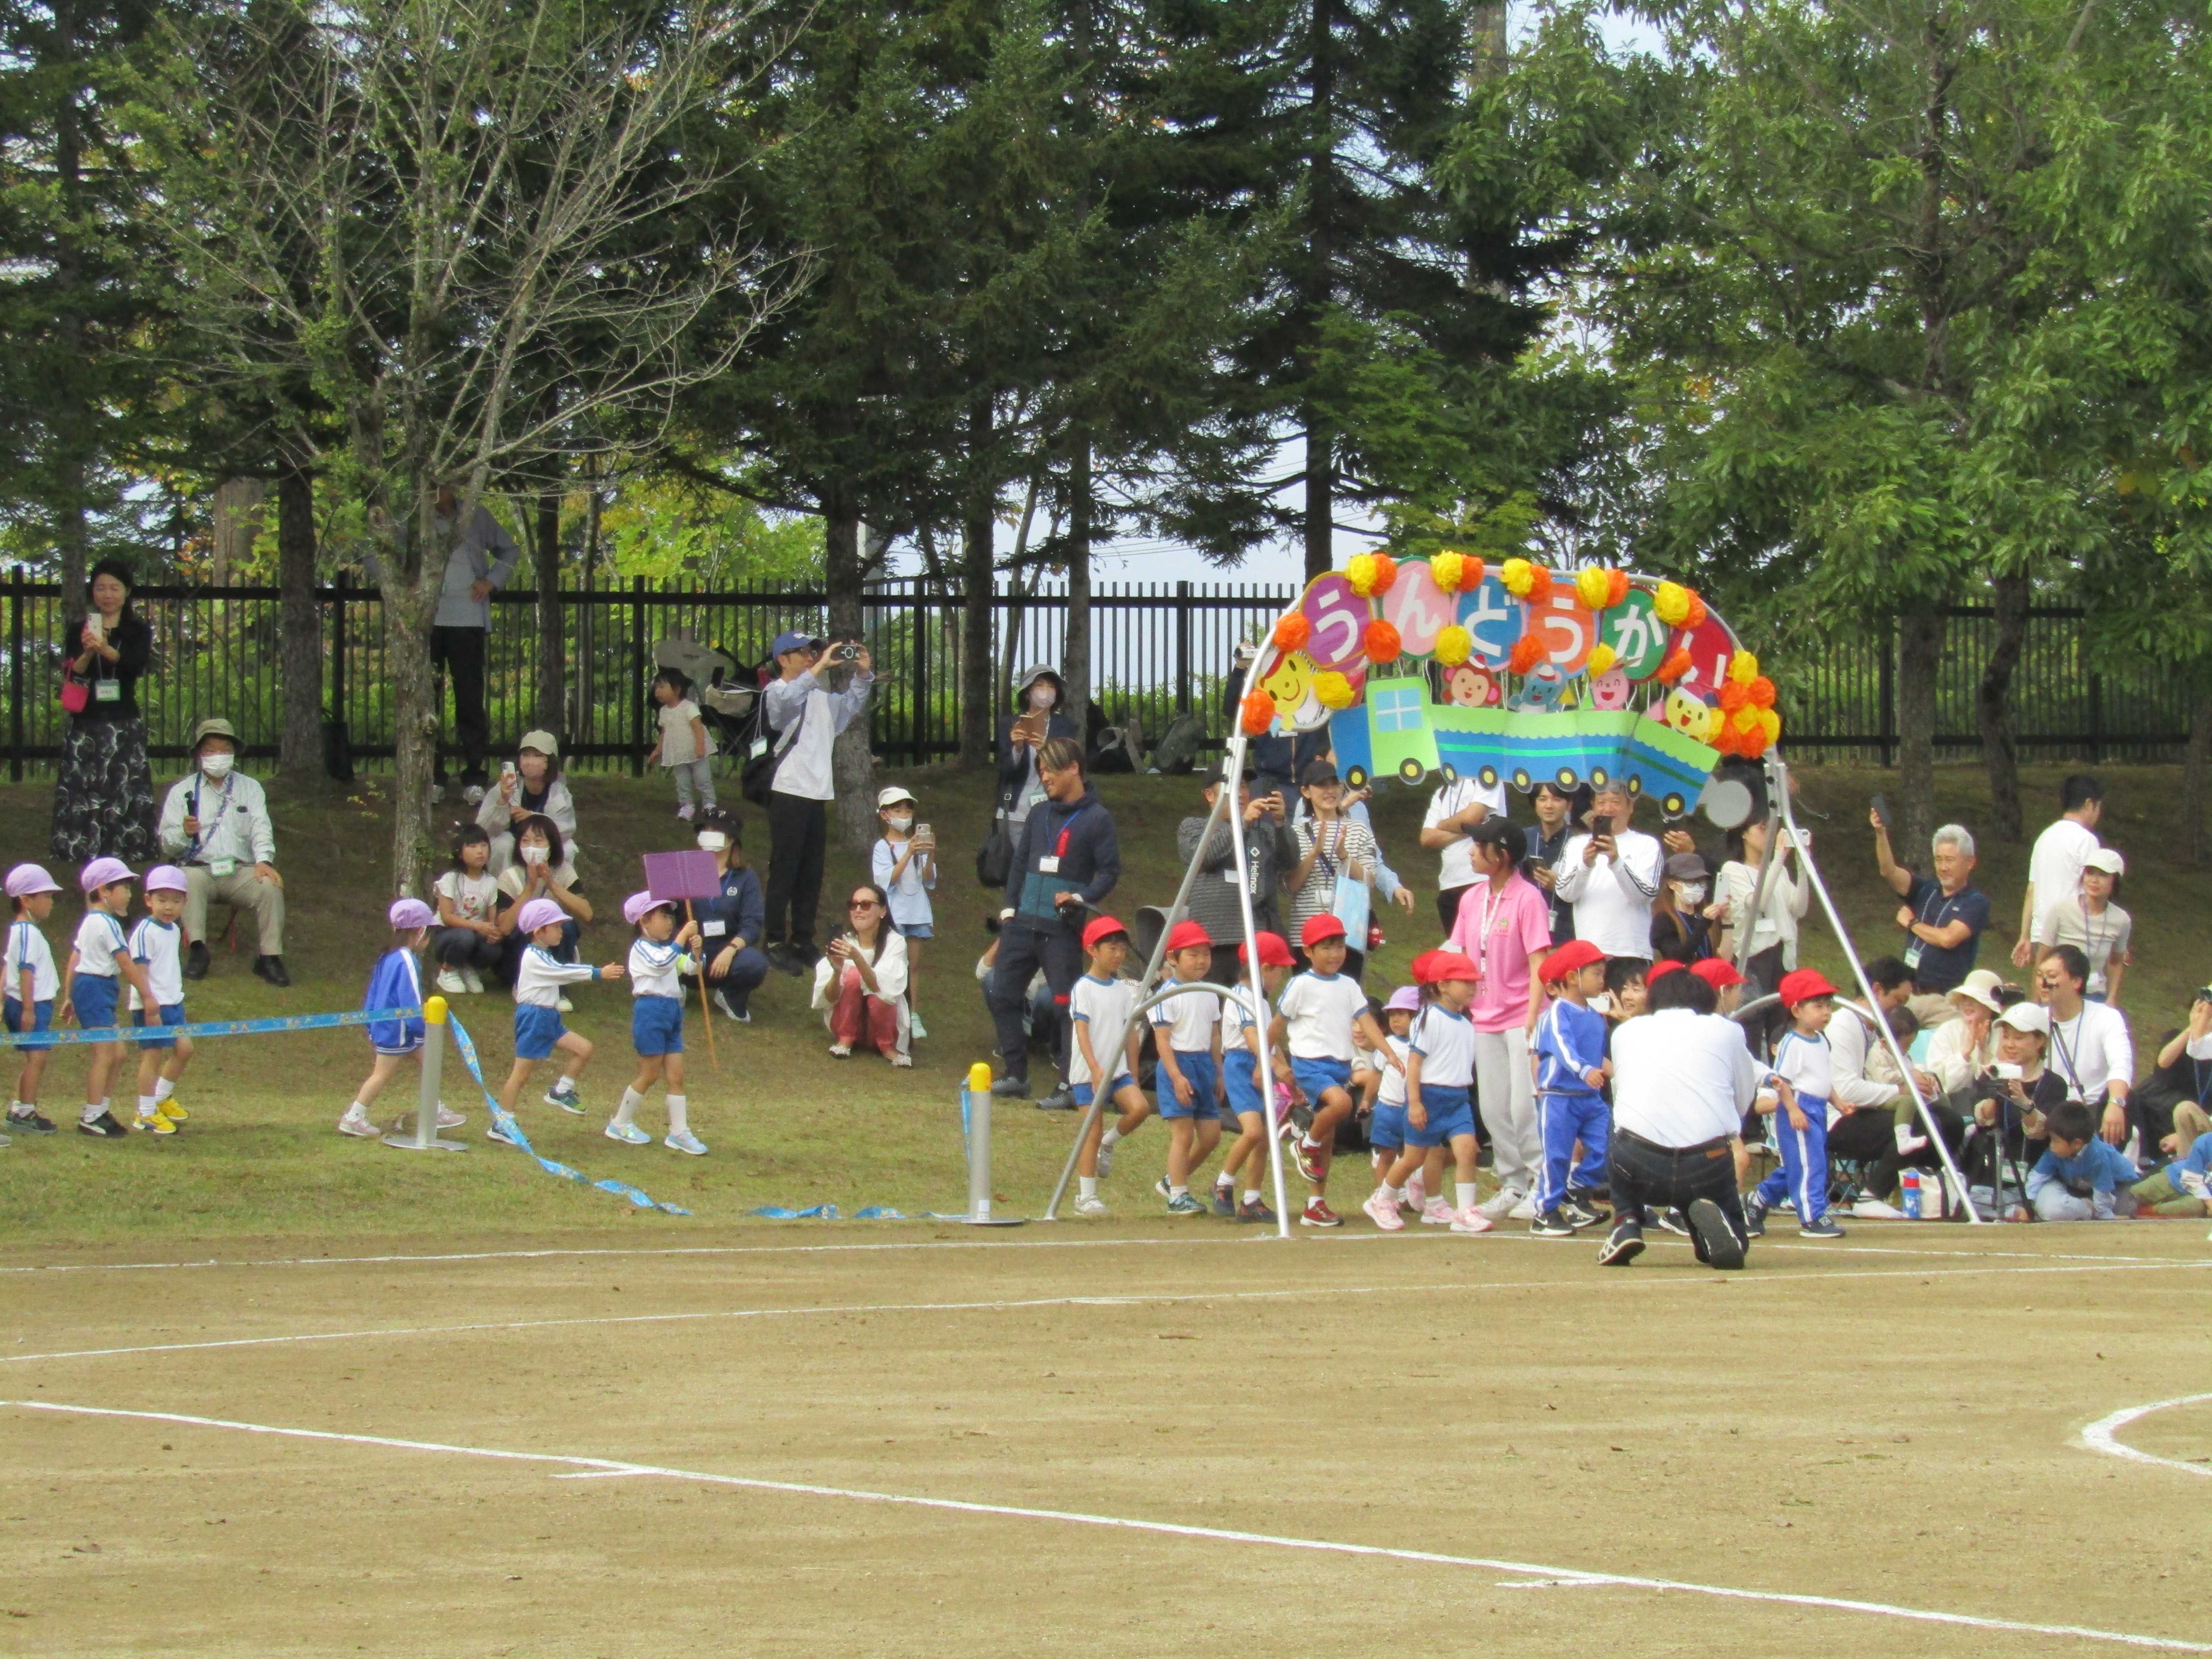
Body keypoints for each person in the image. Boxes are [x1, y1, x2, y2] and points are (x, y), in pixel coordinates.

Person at [1598, 966, 1762, 1269]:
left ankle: (1626, 1219)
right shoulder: (1728, 1031)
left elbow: (1621, 1094)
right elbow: (1743, 1096)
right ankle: (1720, 1230)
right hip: (1707, 1162)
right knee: (1724, 1208)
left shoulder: (1625, 1033)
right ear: (1708, 1000)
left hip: (1639, 1162)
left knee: (1616, 1119)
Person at [988, 737, 1118, 1106]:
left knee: (1065, 1005)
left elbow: (1110, 872)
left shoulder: (1098, 819)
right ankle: (1015, 1074)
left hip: (1061, 929)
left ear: (1073, 768)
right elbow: (1019, 863)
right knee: (1002, 994)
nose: (1043, 777)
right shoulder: (1038, 814)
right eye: (1041, 770)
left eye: (1049, 770)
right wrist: (1009, 908)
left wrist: (1081, 898)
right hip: (1022, 923)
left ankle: (1068, 1084)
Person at [1445, 817, 1556, 1221]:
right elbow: (1459, 952)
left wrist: (1532, 1015)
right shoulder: (1472, 898)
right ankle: (1512, 1183)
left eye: (1480, 847)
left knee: (1524, 1104)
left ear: (1502, 855)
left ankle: (1543, 1182)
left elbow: (1538, 959)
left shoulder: (1528, 898)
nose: (1473, 853)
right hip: (1484, 1014)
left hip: (1522, 1015)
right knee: (1492, 1106)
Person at [758, 633, 875, 975]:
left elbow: (851, 705)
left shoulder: (823, 698)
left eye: (814, 651)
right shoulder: (776, 692)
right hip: (788, 790)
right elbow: (785, 708)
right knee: (785, 869)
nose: (812, 656)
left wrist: (863, 674)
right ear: (784, 659)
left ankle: (803, 940)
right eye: (804, 652)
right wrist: (820, 667)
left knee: (811, 873)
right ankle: (775, 941)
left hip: (818, 792)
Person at [1274, 913, 1397, 1228]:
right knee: (1342, 1105)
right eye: (1326, 947)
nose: (1335, 954)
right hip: (1310, 1064)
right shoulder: (1300, 984)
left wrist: (1388, 1051)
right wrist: (1270, 1063)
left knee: (1327, 1137)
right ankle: (1304, 1143)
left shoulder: (1349, 986)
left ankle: (1315, 1205)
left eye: (1340, 946)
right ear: (1308, 951)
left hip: (1339, 1066)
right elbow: (1277, 1026)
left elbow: (1366, 1021)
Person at [155, 717, 289, 988]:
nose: (218, 756)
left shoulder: (251, 788)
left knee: (269, 886)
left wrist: (264, 861)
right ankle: (197, 951)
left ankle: (269, 956)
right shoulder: (181, 792)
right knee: (188, 880)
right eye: (211, 750)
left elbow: (261, 826)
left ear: (234, 754)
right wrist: (184, 832)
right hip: (199, 868)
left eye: (225, 749)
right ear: (199, 754)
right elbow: (167, 845)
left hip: (239, 869)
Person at [1373, 951, 1491, 1235]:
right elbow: (1415, 1063)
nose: (1472, 988)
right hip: (1429, 1097)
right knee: (1413, 1158)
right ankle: (1383, 1199)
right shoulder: (1429, 1018)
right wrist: (1415, 1103)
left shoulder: (1466, 1024)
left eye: (1474, 982)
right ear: (1443, 986)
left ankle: (1465, 1211)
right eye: (1465, 982)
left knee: (1466, 1151)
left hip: (1458, 1099)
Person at [50, 559, 158, 866]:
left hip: (123, 720)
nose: (107, 594)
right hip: (87, 721)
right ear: (92, 592)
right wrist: (87, 651)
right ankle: (84, 850)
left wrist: (107, 649)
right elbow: (74, 676)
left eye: (114, 588)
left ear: (127, 592)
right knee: (85, 789)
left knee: (123, 788)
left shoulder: (137, 630)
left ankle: (125, 850)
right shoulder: (79, 629)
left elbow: (132, 668)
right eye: (100, 587)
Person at [494, 896, 624, 1142]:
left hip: (548, 1018)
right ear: (538, 931)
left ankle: (561, 1090)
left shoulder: (543, 954)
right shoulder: (534, 957)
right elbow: (562, 973)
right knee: (520, 1075)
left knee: (584, 1049)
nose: (560, 932)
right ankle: (503, 1123)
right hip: (534, 1018)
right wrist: (597, 973)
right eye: (555, 927)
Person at [422, 486, 520, 805]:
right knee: (425, 701)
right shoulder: (413, 518)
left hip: (468, 620)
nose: (440, 492)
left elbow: (510, 551)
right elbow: (376, 554)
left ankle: (474, 776)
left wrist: (492, 580)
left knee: (470, 700)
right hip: (425, 619)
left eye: (446, 484)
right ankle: (431, 776)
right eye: (433, 484)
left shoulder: (475, 516)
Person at [339, 900, 465, 1140]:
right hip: (397, 1031)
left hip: (389, 1027)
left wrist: (370, 1024)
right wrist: (424, 1028)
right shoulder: (406, 959)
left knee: (430, 1060)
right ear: (419, 932)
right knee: (381, 1075)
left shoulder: (386, 956)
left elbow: (372, 995)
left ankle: (435, 1110)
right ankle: (354, 1117)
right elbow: (411, 999)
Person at [1744, 969, 1849, 1239]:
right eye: (1818, 1006)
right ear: (1797, 1011)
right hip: (1799, 1106)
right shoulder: (1793, 1043)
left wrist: (1837, 1101)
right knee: (1810, 1164)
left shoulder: (1822, 1041)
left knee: (1804, 1162)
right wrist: (1792, 1109)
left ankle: (1759, 1200)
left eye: (1828, 1007)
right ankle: (1813, 1215)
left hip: (1817, 1107)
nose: (1826, 1012)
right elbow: (1782, 1082)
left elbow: (1824, 1078)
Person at [61, 857, 158, 1141]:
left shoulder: (93, 922)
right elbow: (126, 963)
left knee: (118, 1053)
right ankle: (92, 1115)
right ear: (104, 891)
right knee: (105, 1055)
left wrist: (69, 996)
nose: (129, 894)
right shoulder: (105, 923)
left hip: (96, 988)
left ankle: (100, 1109)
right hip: (94, 988)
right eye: (124, 887)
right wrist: (148, 996)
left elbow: (74, 958)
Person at [609, 893, 708, 1155]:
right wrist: (682, 938)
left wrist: (698, 952)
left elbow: (691, 968)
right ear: (645, 920)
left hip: (672, 1012)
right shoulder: (641, 949)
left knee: (677, 1076)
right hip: (650, 1012)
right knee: (650, 1074)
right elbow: (661, 965)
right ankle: (620, 1122)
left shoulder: (669, 949)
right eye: (663, 916)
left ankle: (679, 1132)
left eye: (670, 916)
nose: (669, 922)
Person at [1068, 915, 1152, 1218]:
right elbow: (1082, 1031)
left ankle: (1110, 1143)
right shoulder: (1084, 988)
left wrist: (1133, 1070)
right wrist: (1093, 1068)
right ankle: (1086, 1197)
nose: (1118, 955)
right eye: (1111, 949)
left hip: (1117, 1072)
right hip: (1088, 1073)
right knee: (1091, 1131)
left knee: (1140, 1109)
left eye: (1122, 949)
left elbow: (1130, 1033)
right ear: (1093, 950)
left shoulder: (1122, 991)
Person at [1528, 938, 1613, 1237]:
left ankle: (1577, 1191)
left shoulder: (1595, 1017)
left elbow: (1598, 1053)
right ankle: (1545, 1212)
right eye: (1596, 973)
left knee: (1606, 1144)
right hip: (1559, 1097)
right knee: (1558, 1156)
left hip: (1589, 1098)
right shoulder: (1557, 1013)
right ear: (1571, 978)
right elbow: (1564, 1049)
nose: (1602, 980)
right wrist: (1586, 1069)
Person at [1209, 932, 1293, 1224]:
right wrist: (1272, 1063)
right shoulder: (1239, 998)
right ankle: (1223, 1183)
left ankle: (1252, 1199)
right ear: (1266, 968)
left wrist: (1285, 1071)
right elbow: (1251, 1037)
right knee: (1253, 1130)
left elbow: (1271, 1041)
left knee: (1265, 1137)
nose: (1281, 976)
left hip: (1261, 1064)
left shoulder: (1264, 1002)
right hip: (1241, 1065)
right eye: (1280, 969)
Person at [1177, 766, 1295, 959]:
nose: (1241, 794)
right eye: (1233, 786)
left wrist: (1281, 823)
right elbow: (1205, 857)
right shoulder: (1194, 826)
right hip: (1212, 937)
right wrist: (1243, 823)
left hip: (1255, 938)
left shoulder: (1264, 831)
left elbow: (1289, 862)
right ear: (1209, 795)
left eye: (1244, 787)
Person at [1285, 760, 1386, 979]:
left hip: (1347, 932)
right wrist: (1314, 853)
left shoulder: (1358, 829)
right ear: (1306, 792)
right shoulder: (1295, 833)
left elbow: (1370, 880)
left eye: (1335, 784)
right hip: (1306, 932)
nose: (1330, 791)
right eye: (1322, 786)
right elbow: (1291, 886)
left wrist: (1344, 855)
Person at [1150, 920, 1224, 1215]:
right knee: (1184, 1135)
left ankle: (1173, 1181)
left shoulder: (1210, 992)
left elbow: (1215, 1033)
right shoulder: (1166, 994)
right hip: (1178, 1064)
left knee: (1211, 1136)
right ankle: (1178, 1195)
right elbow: (1163, 1041)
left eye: (1205, 954)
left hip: (1204, 1064)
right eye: (1193, 954)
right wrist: (1177, 1076)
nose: (1201, 960)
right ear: (1173, 958)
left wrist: (1218, 1072)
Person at [1871, 814, 1990, 996]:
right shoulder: (1926, 890)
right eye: (1938, 859)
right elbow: (1889, 871)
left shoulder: (1975, 902)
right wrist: (1881, 833)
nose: (1943, 867)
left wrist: (1912, 924)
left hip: (1942, 995)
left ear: (1970, 862)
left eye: (1950, 860)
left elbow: (1948, 939)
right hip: (1909, 989)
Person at [1551, 781, 1663, 962]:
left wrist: (1616, 860)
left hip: (1632, 952)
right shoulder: (1577, 844)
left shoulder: (1647, 844)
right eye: (1601, 802)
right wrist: (1585, 865)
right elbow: (1565, 893)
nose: (1608, 809)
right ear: (1593, 807)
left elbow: (1645, 895)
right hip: (1588, 951)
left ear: (1631, 807)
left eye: (1616, 802)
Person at [2036, 944, 2134, 1147]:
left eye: (2052, 976)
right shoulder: (2035, 1019)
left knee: (2128, 1103)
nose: (2044, 983)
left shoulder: (2106, 1017)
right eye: (2040, 975)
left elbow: (2121, 1062)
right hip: (2049, 1110)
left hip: (2091, 1112)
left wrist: (2116, 1103)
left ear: (2076, 981)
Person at [125, 866, 193, 1136]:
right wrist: (148, 1002)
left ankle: (160, 1098)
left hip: (173, 1003)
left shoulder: (174, 930)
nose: (169, 907)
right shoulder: (145, 931)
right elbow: (139, 970)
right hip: (151, 1005)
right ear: (148, 900)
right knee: (151, 1058)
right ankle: (145, 1113)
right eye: (162, 900)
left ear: (185, 902)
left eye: (176, 901)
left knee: (185, 1049)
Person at [811, 884, 912, 1065]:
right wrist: (837, 972)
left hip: (881, 1023)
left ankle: (888, 1048)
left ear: (882, 912)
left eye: (865, 905)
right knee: (851, 977)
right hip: (846, 1020)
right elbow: (828, 998)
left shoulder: (895, 943)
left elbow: (881, 989)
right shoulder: (844, 941)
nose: (858, 910)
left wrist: (857, 957)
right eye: (853, 905)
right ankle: (845, 1039)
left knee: (868, 985)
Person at [1707, 820, 1808, 997]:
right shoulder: (1733, 869)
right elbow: (1758, 904)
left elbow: (1800, 910)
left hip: (1784, 957)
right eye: (1762, 828)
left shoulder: (1780, 871)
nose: (1769, 834)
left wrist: (1802, 865)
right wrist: (1779, 857)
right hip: (1754, 957)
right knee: (1754, 1014)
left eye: (1772, 829)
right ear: (1744, 834)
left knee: (1781, 1016)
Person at [2015, 774, 2103, 969]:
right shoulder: (2086, 840)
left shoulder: (2044, 839)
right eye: (2098, 808)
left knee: (2045, 989)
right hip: (2073, 933)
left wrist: (2025, 936)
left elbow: (2032, 890)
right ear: (2089, 805)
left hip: (2042, 933)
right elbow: (2094, 889)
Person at [689, 808, 768, 1023]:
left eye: (715, 830)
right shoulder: (688, 871)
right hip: (691, 951)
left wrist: (731, 950)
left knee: (755, 963)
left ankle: (729, 995)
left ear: (732, 839)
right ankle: (673, 988)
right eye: (705, 829)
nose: (708, 833)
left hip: (726, 953)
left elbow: (752, 924)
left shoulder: (746, 878)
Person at [494, 815, 590, 991]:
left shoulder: (564, 872)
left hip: (553, 941)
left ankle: (560, 989)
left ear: (551, 845)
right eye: (526, 841)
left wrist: (552, 885)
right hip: (519, 948)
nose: (532, 847)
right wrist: (529, 889)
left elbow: (587, 913)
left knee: (567, 926)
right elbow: (505, 927)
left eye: (538, 841)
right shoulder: (509, 876)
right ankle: (522, 983)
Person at [871, 786, 936, 1040]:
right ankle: (890, 1011)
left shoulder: (919, 844)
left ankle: (913, 1013)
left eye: (908, 810)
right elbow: (887, 881)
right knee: (892, 964)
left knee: (914, 966)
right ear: (885, 815)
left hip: (918, 912)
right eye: (897, 810)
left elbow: (929, 879)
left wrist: (930, 855)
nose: (904, 815)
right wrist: (908, 852)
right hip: (895, 914)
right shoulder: (882, 847)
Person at [6, 863, 64, 1137]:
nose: (51, 903)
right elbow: (25, 971)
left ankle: (20, 1108)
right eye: (47, 897)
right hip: (31, 1005)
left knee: (35, 1059)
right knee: (37, 1059)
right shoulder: (27, 932)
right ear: (26, 900)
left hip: (32, 1004)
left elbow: (8, 968)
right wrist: (28, 1009)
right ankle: (25, 1112)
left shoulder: (21, 931)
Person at [1358, 986, 1422, 1226]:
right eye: (1392, 1014)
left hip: (1412, 1108)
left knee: (1411, 1155)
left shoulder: (1422, 1045)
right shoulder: (1388, 1045)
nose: (1395, 1019)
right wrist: (1366, 1100)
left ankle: (1401, 1195)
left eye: (1403, 1014)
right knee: (1386, 1154)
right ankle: (1384, 1197)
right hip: (1388, 1108)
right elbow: (1375, 1074)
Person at [478, 731, 578, 879]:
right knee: (503, 844)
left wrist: (533, 818)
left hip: (545, 845)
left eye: (538, 756)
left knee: (568, 848)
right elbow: (483, 829)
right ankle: (504, 894)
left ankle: (557, 895)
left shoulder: (559, 792)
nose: (530, 761)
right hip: (514, 844)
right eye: (526, 755)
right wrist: (503, 802)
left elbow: (566, 829)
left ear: (549, 762)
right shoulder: (506, 786)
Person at [1421, 772, 1506, 934]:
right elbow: (1427, 838)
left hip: (1481, 880)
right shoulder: (1442, 792)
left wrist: (1442, 825)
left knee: (1483, 949)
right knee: (1457, 953)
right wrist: (1470, 829)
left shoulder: (1486, 779)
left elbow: (1472, 817)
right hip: (1449, 885)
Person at [998, 665, 1079, 832]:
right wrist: (1018, 749)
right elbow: (1006, 771)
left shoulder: (1065, 727)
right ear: (1028, 693)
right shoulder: (1011, 724)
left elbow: (1071, 769)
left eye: (1051, 686)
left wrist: (1047, 750)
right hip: (1017, 813)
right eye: (1039, 685)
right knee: (1019, 858)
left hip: (1054, 811)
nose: (1046, 691)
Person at [2026, 1100, 2137, 1220]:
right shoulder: (2055, 1152)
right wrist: (2028, 1204)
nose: (2051, 1145)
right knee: (2054, 1206)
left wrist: (2105, 1215)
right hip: (2085, 1189)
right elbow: (2037, 1177)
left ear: (2077, 1144)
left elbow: (2103, 1188)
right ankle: (2089, 1208)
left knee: (2126, 1208)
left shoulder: (2098, 1155)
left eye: (2055, 1140)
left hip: (2119, 1185)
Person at [2048, 848, 2130, 1006]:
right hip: (2058, 989)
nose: (2094, 880)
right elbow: (2044, 955)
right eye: (2090, 873)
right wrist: (2038, 999)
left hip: (2094, 993)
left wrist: (2111, 998)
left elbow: (2116, 962)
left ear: (2115, 881)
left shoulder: (2122, 920)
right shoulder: (2061, 909)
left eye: (2103, 875)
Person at [432, 824, 506, 994]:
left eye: (484, 846)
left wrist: (493, 932)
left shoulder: (491, 882)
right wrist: (479, 927)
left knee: (494, 949)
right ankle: (448, 970)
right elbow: (447, 918)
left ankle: (467, 968)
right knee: (465, 937)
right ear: (460, 852)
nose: (480, 851)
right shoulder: (451, 879)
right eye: (472, 847)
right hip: (446, 934)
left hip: (474, 936)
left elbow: (491, 918)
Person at [647, 668, 718, 821]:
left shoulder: (689, 707)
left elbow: (698, 728)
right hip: (678, 754)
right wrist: (657, 751)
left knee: (703, 779)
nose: (657, 691)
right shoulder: (664, 712)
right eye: (656, 687)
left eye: (662, 687)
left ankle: (710, 805)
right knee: (682, 782)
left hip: (696, 753)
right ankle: (687, 806)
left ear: (677, 689)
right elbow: (665, 733)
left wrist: (700, 747)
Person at [1521, 782, 1586, 944]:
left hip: (1567, 932)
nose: (1549, 806)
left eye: (1556, 799)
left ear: (1569, 805)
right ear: (1534, 804)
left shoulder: (1579, 843)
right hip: (1526, 930)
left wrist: (1561, 886)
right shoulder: (1523, 838)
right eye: (1542, 799)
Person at [1923, 970, 2002, 1094]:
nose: (1967, 1004)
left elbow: (2000, 1082)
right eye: (1965, 998)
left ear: (1990, 1007)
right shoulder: (1947, 1031)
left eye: (1975, 999)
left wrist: (1983, 1049)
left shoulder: (2002, 1034)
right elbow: (1939, 1082)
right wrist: (1964, 1054)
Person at [1650, 852, 1713, 965]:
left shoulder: (1703, 917)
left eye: (1701, 883)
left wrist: (1727, 923)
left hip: (1708, 980)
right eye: (1690, 882)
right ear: (1672, 884)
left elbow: (1723, 957)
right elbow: (1678, 957)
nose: (1697, 887)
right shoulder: (1664, 920)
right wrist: (1704, 924)